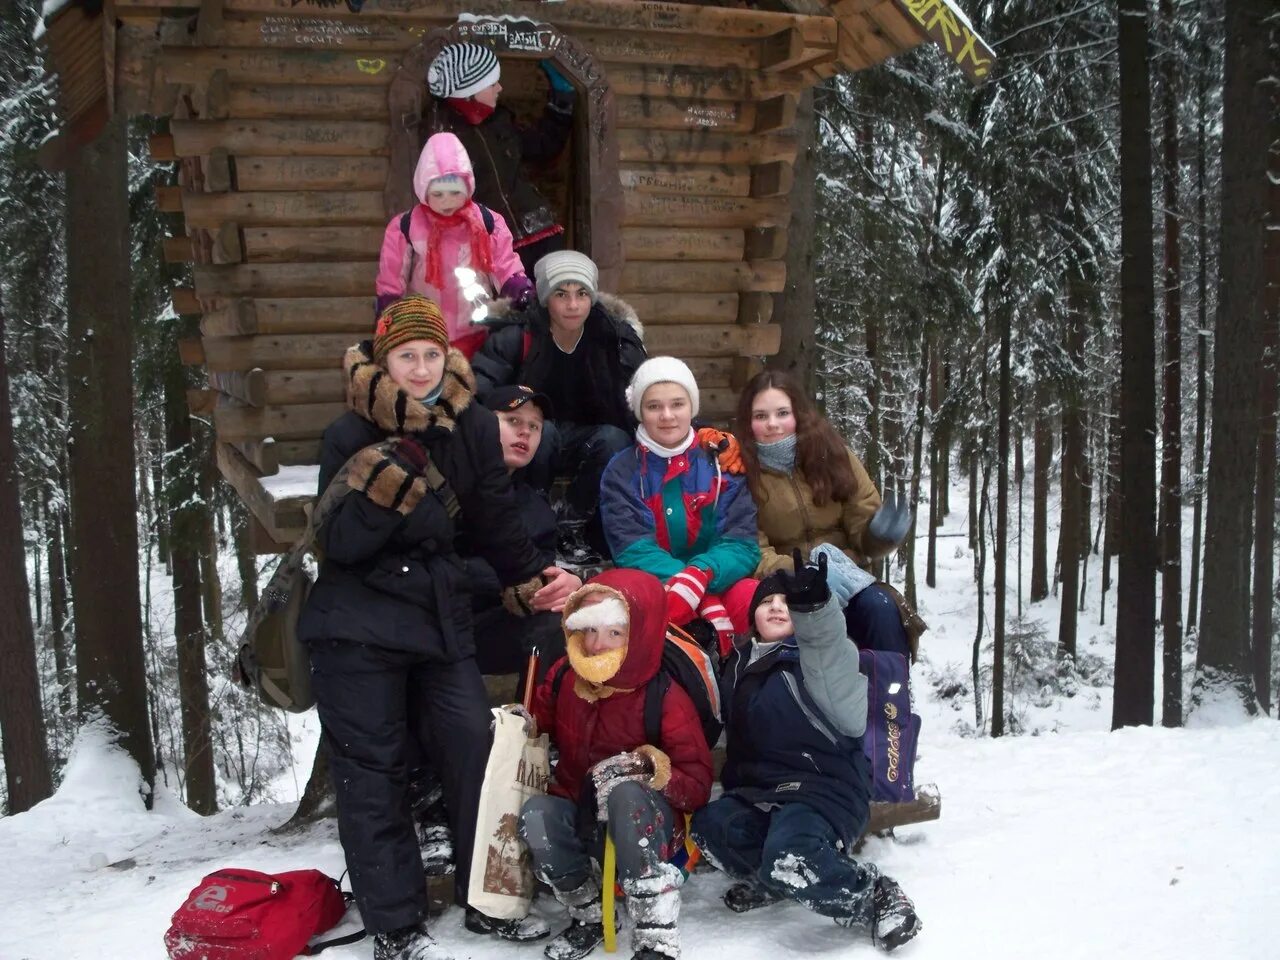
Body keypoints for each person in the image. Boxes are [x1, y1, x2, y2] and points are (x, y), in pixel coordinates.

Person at [296, 295, 578, 960]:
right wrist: (384, 497)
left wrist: (537, 578)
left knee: (470, 751)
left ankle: (487, 902)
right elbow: (336, 543)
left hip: (436, 618)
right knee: (372, 772)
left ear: (446, 357)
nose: (419, 369)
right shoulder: (348, 432)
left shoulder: (474, 427)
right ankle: (396, 927)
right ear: (383, 361)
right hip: (356, 621)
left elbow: (494, 522)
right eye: (405, 357)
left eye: (429, 354)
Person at [690, 554, 923, 952]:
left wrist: (817, 610)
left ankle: (872, 894)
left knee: (791, 855)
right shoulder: (739, 666)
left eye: (786, 601)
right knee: (712, 829)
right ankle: (775, 878)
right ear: (752, 617)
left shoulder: (821, 660)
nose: (777, 606)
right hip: (760, 793)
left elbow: (827, 644)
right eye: (766, 602)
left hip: (823, 790)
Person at [518, 570, 713, 960]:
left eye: (613, 633)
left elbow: (698, 785)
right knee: (537, 814)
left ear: (638, 634)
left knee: (625, 793)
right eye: (588, 630)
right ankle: (588, 913)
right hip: (580, 807)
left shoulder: (665, 698)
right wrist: (520, 723)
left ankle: (654, 933)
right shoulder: (564, 678)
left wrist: (651, 769)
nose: (594, 645)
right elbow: (540, 721)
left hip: (646, 824)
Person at [473, 250, 645, 561]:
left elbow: (644, 389)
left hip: (588, 437)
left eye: (581, 294)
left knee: (614, 439)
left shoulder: (612, 337)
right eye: (561, 294)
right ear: (544, 298)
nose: (573, 304)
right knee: (542, 431)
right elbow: (482, 386)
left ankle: (571, 524)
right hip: (534, 436)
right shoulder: (518, 336)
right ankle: (534, 517)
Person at [736, 370, 918, 658]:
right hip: (784, 590)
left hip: (847, 578)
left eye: (782, 413)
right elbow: (751, 549)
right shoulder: (740, 473)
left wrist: (879, 532)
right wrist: (805, 571)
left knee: (881, 609)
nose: (772, 424)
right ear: (748, 422)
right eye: (761, 416)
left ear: (799, 413)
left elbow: (862, 528)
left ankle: (892, 698)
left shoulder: (833, 454)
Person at [600, 357, 760, 654]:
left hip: (720, 579)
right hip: (657, 586)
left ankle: (747, 684)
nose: (667, 415)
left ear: (692, 408)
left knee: (755, 602)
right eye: (653, 407)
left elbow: (742, 543)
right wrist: (698, 596)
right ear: (640, 413)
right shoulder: (622, 471)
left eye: (677, 404)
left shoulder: (721, 462)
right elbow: (632, 548)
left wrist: (701, 574)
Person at [376, 132, 535, 356]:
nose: (446, 201)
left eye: (454, 192)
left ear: (467, 188)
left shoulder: (487, 223)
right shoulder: (406, 227)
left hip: (475, 328)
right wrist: (388, 312)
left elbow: (504, 265)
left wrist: (519, 290)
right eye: (438, 194)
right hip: (424, 330)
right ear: (424, 190)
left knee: (471, 384)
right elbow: (392, 278)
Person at [428, 42, 574, 275]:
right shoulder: (442, 133)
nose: (500, 88)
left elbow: (543, 147)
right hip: (492, 246)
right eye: (491, 83)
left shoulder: (500, 120)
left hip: (540, 233)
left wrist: (562, 102)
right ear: (469, 88)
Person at [467, 384, 578, 683]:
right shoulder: (449, 481)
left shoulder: (536, 509)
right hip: (429, 623)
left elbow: (537, 582)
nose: (525, 433)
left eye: (534, 426)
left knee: (561, 625)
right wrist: (506, 579)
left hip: (486, 629)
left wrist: (569, 585)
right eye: (513, 421)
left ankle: (531, 723)